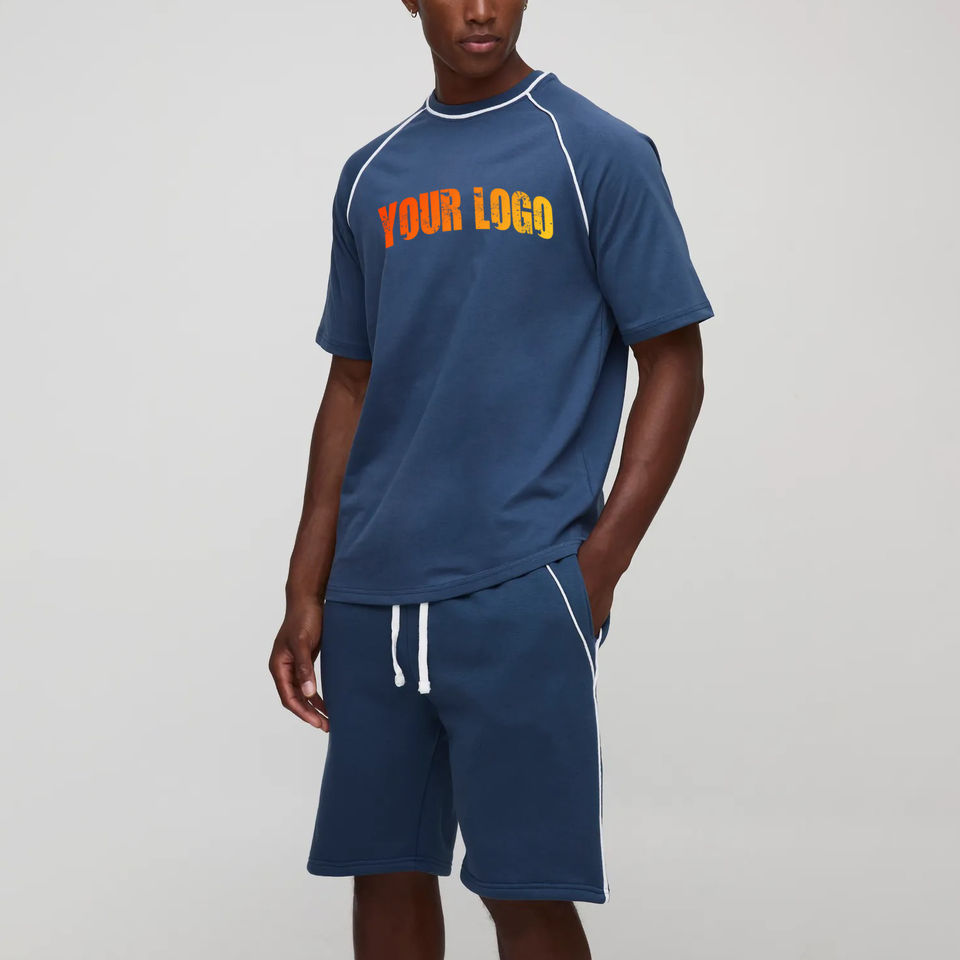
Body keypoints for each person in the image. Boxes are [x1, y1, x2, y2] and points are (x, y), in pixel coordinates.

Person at [268, 2, 714, 957]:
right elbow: (352, 381)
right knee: (385, 869)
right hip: (371, 593)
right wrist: (307, 585)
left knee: (525, 888)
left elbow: (674, 361)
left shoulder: (596, 151)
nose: (480, 8)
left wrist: (597, 567)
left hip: (521, 583)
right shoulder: (372, 174)